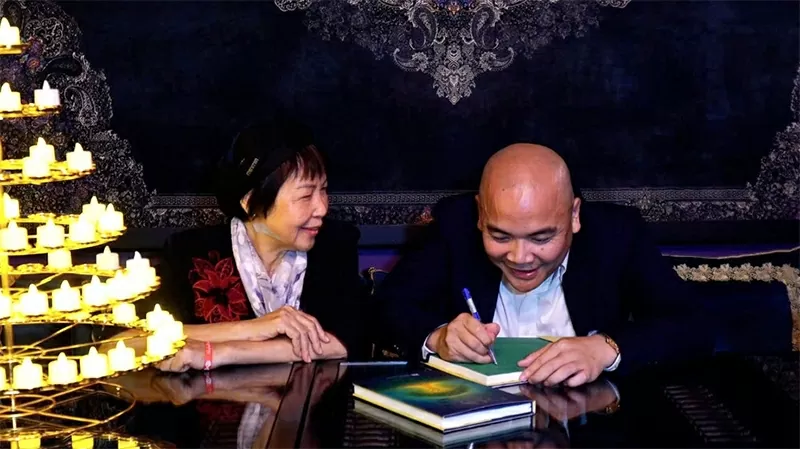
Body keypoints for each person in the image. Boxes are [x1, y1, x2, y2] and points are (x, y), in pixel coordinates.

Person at [376, 143, 711, 387]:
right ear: (480, 214)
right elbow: (387, 307)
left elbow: (692, 325)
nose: (520, 257)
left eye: (541, 238)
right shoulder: (454, 225)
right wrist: (438, 337)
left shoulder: (617, 234)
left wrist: (606, 347)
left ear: (575, 215)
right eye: (501, 236)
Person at [144, 116, 368, 372]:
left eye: (324, 190)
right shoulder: (190, 251)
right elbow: (134, 339)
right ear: (249, 201)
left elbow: (345, 339)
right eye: (305, 195)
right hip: (214, 405)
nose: (322, 208)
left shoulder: (334, 243)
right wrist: (256, 328)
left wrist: (218, 352)